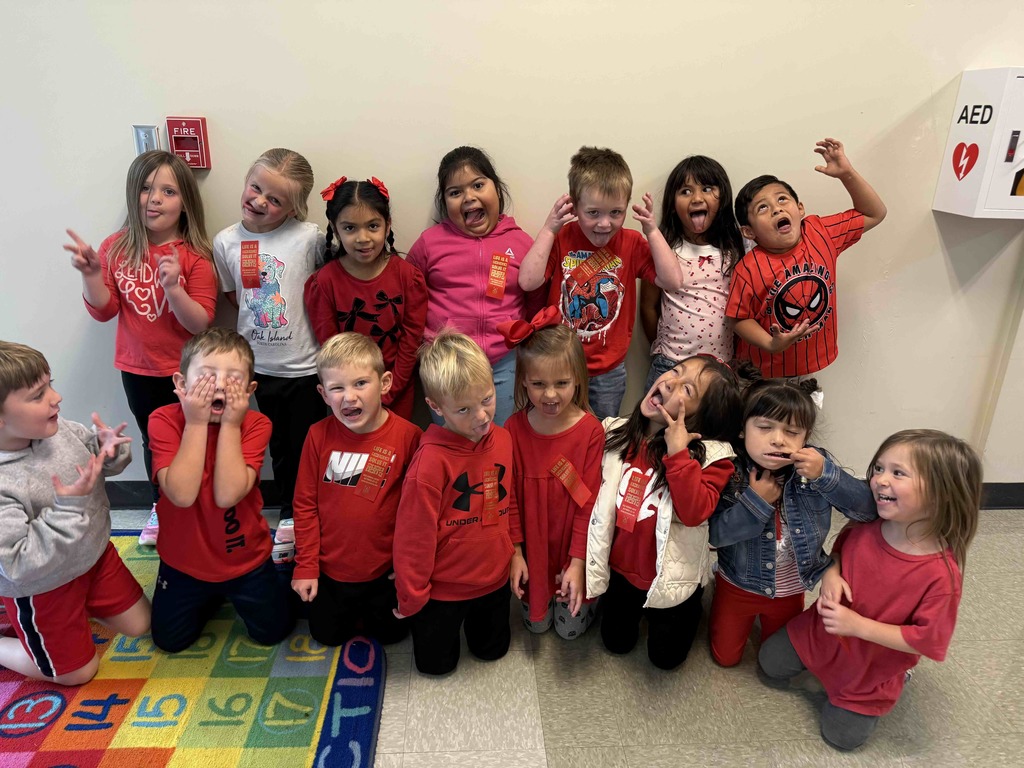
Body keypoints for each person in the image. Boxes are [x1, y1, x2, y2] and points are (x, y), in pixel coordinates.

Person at [759, 429, 981, 751]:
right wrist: (831, 574)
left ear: (941, 493)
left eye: (898, 473)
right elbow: (838, 555)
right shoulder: (864, 526)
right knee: (770, 662)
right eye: (879, 468)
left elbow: (929, 640)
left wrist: (857, 626)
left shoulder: (941, 575)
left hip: (870, 665)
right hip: (820, 635)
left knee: (842, 738)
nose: (880, 480)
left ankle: (896, 678)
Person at [64, 150, 217, 548]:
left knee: (199, 437)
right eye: (147, 188)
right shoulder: (116, 248)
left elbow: (200, 324)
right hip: (138, 369)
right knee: (156, 442)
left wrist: (174, 288)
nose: (154, 199)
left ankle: (202, 507)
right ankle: (162, 505)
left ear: (185, 201)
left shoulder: (196, 255)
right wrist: (92, 275)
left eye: (168, 191)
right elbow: (105, 310)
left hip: (189, 372)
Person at [0, 341, 150, 684]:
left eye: (49, 384)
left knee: (141, 624)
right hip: (42, 586)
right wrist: (69, 509)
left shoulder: (57, 428)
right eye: (38, 395)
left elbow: (93, 456)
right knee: (76, 673)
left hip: (92, 559)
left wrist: (107, 451)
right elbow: (17, 564)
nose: (56, 397)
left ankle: (74, 616)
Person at [586, 355, 742, 669]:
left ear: (701, 420)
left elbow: (694, 512)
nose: (670, 381)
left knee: (666, 660)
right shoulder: (615, 433)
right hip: (621, 572)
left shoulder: (714, 458)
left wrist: (678, 453)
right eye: (675, 371)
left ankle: (688, 613)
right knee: (615, 644)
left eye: (687, 390)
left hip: (674, 580)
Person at [708, 376, 875, 667]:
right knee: (725, 658)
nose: (778, 439)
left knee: (774, 659)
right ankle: (716, 591)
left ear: (804, 437)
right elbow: (714, 536)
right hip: (737, 583)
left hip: (792, 589)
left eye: (792, 431)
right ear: (742, 428)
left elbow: (867, 510)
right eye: (764, 427)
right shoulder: (730, 469)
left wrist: (826, 474)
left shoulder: (815, 467)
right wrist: (755, 503)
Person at [148, 328, 294, 653]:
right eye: (207, 376)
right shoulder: (163, 420)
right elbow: (182, 495)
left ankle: (282, 572)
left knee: (274, 632)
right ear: (181, 384)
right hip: (183, 562)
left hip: (246, 561)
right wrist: (196, 423)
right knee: (169, 642)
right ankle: (210, 595)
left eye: (233, 378)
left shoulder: (255, 424)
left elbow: (227, 495)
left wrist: (230, 424)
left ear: (250, 390)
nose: (219, 385)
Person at [214, 148, 327, 562]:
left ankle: (298, 514)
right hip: (252, 367)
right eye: (256, 187)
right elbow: (234, 295)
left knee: (300, 446)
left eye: (275, 199)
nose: (260, 201)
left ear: (294, 207)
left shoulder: (310, 237)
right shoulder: (226, 241)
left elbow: (325, 289)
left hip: (303, 366)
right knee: (266, 444)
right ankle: (275, 509)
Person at [517, 146, 685, 419]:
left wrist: (652, 230)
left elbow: (673, 280)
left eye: (616, 212)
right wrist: (549, 229)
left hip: (608, 370)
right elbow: (527, 281)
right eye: (593, 213)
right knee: (560, 433)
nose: (605, 224)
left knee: (603, 436)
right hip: (559, 368)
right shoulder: (561, 239)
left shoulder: (630, 242)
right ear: (575, 205)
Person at [393, 329, 514, 675]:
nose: (481, 417)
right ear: (435, 407)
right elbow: (412, 539)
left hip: (494, 581)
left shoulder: (504, 440)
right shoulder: (428, 464)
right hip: (441, 593)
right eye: (463, 408)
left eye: (487, 399)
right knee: (435, 667)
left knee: (493, 653)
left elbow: (511, 502)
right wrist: (412, 597)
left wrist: (515, 552)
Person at [291, 333, 421, 646]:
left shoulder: (410, 436)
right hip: (331, 572)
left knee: (394, 636)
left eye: (360, 383)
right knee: (327, 637)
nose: (349, 397)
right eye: (337, 388)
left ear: (385, 382)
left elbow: (418, 512)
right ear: (323, 393)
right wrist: (306, 566)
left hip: (385, 573)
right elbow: (304, 505)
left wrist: (409, 568)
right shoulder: (317, 436)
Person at [726, 138, 887, 378]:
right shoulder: (748, 269)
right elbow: (738, 319)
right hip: (763, 373)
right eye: (762, 208)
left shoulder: (820, 232)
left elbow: (875, 213)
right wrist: (771, 344)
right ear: (749, 232)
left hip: (811, 367)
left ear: (800, 208)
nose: (777, 209)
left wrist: (847, 174)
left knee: (804, 415)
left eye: (782, 199)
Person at [407, 146, 535, 426]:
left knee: (496, 438)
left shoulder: (521, 243)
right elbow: (410, 299)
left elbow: (535, 302)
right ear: (444, 202)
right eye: (455, 192)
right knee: (452, 446)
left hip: (503, 365)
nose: (469, 197)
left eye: (478, 185)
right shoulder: (429, 243)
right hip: (447, 368)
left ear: (497, 189)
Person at [500, 307, 604, 639]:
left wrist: (577, 562)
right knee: (536, 626)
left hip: (572, 547)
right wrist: (516, 553)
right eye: (538, 384)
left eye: (561, 383)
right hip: (533, 548)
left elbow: (588, 506)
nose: (549, 395)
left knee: (569, 631)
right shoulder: (513, 429)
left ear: (578, 379)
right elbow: (509, 501)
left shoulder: (591, 432)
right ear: (523, 382)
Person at [304, 177, 427, 420]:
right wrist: (358, 393)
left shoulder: (408, 277)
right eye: (350, 228)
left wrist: (389, 390)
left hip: (397, 389)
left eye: (373, 226)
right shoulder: (324, 284)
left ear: (387, 225)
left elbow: (412, 340)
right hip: (348, 396)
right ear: (334, 227)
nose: (363, 238)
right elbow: (331, 349)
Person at [639, 156, 745, 390]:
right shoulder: (663, 248)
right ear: (673, 204)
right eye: (685, 191)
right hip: (670, 363)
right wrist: (661, 348)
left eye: (707, 189)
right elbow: (648, 306)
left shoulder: (736, 248)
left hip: (721, 367)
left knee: (712, 427)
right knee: (659, 425)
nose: (697, 198)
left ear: (723, 196)